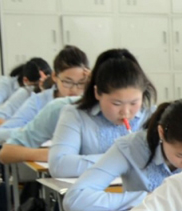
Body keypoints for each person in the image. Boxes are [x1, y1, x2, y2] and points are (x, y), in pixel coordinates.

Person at [63, 99, 182, 211]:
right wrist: (145, 198)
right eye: (180, 155)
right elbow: (75, 198)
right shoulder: (131, 147)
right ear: (161, 133)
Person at [48, 48, 155, 178]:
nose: (125, 112)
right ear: (97, 93)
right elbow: (59, 165)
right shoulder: (75, 115)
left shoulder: (152, 116)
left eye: (134, 103)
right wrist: (120, 159)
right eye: (116, 103)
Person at [0, 46, 89, 145]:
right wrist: (34, 132)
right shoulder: (39, 101)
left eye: (81, 83)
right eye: (67, 82)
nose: (74, 89)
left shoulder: (91, 102)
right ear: (55, 76)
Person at [0, 57, 51, 131]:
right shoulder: (26, 93)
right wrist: (22, 129)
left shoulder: (55, 94)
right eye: (38, 85)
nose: (43, 90)